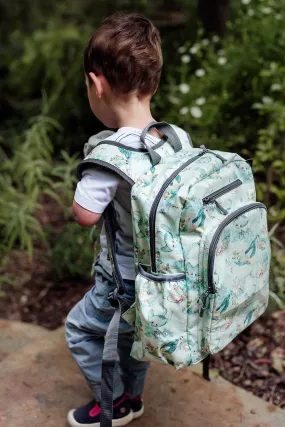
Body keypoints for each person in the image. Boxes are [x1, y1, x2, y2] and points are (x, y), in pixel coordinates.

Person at [65, 12, 187, 427]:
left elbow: (84, 215)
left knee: (82, 331)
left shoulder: (109, 157)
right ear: (153, 82)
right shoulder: (175, 138)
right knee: (136, 340)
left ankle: (113, 403)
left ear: (96, 84)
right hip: (164, 277)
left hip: (123, 281)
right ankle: (132, 397)